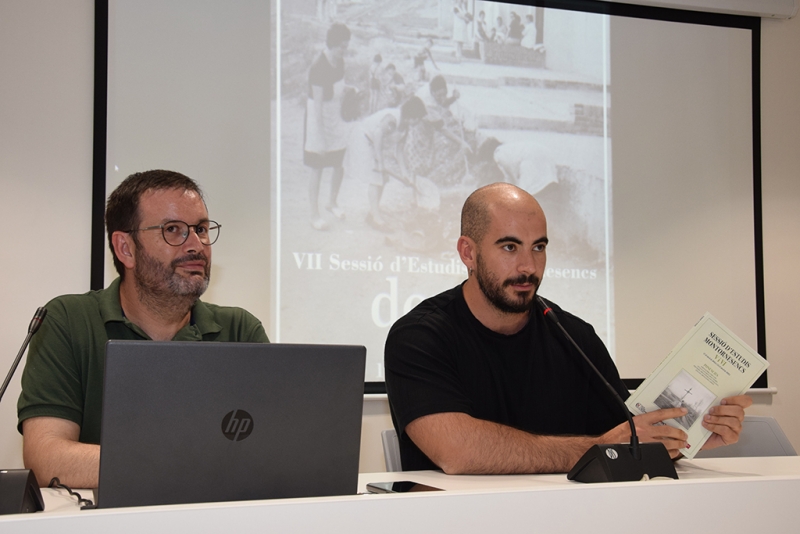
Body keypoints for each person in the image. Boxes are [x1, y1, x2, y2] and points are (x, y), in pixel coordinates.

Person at [384, 182, 752, 473]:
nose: (529, 267)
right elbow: (457, 452)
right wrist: (598, 448)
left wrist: (690, 438)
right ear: (468, 252)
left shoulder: (574, 337)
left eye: (538, 247)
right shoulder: (418, 337)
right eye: (510, 247)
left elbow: (630, 442)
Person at [17, 169, 269, 488]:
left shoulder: (240, 330)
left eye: (201, 229)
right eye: (173, 230)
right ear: (126, 248)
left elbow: (271, 450)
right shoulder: (67, 321)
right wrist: (184, 464)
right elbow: (46, 458)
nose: (196, 245)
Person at [304, 22, 352, 230]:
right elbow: (318, 105)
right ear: (332, 44)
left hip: (335, 115)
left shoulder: (340, 61)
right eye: (342, 46)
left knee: (339, 162)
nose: (344, 50)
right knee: (318, 167)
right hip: (319, 117)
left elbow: (339, 87)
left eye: (346, 46)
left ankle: (332, 202)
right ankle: (314, 215)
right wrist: (321, 137)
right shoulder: (319, 66)